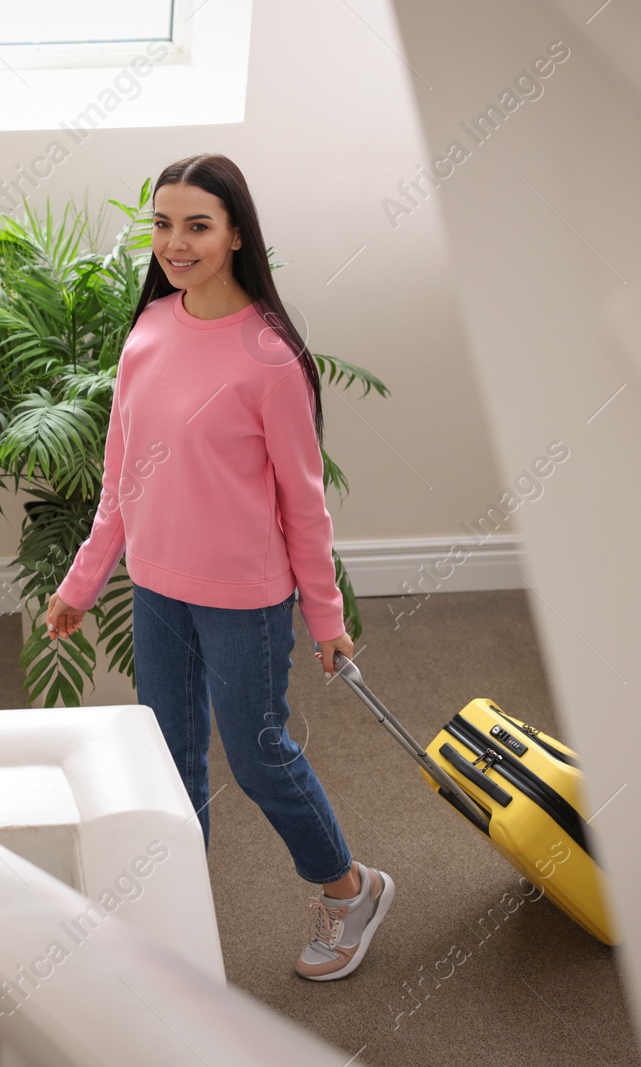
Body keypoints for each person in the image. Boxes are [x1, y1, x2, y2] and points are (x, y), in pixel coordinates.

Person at [46, 153, 393, 981]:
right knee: (169, 761)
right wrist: (82, 582)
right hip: (159, 589)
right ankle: (178, 919)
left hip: (246, 599)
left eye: (197, 224)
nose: (176, 242)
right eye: (163, 223)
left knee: (258, 754)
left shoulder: (271, 358)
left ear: (237, 233)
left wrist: (327, 620)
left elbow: (304, 507)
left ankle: (350, 889)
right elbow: (121, 479)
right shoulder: (150, 328)